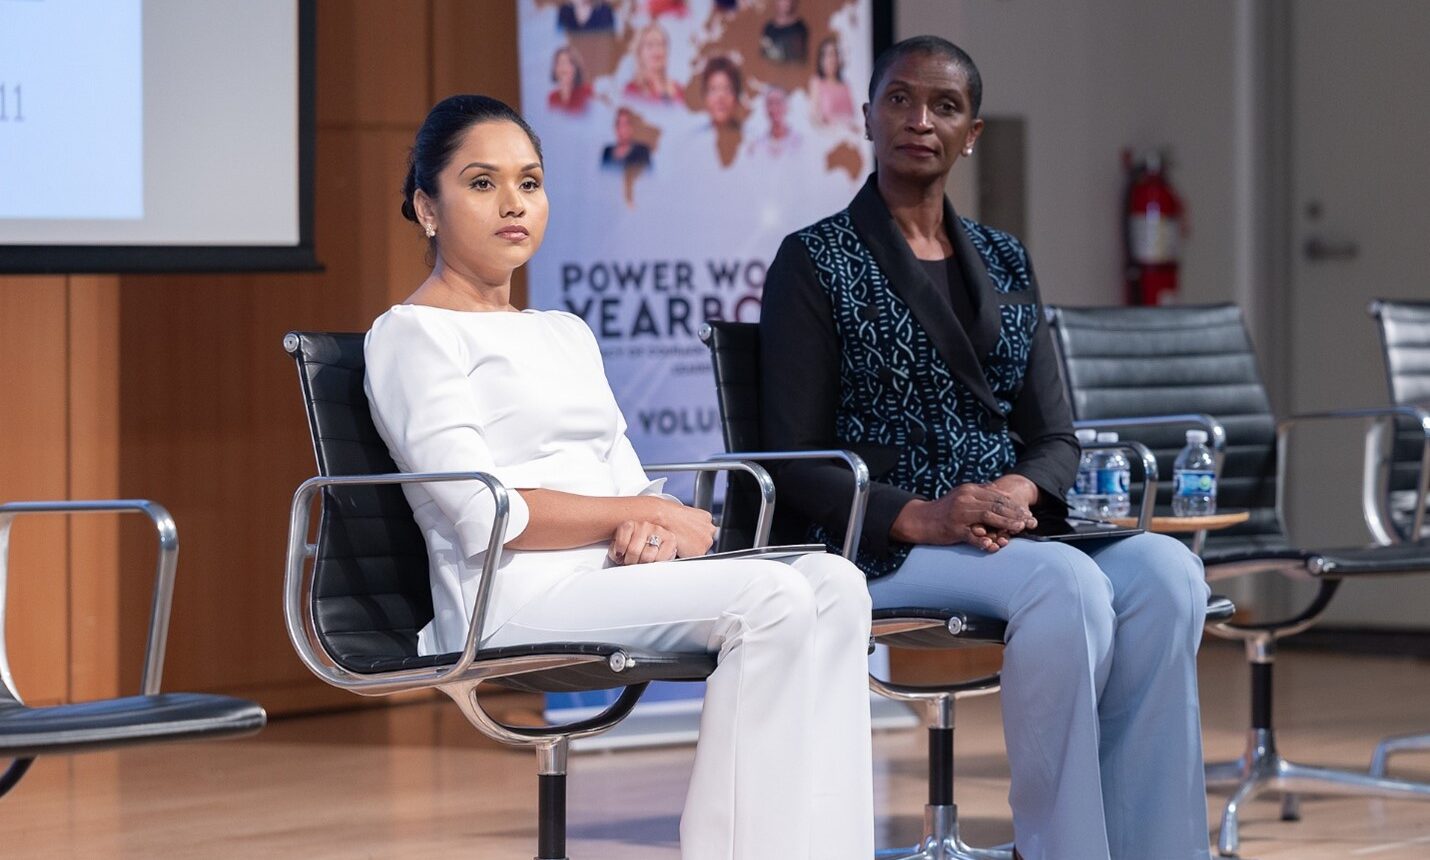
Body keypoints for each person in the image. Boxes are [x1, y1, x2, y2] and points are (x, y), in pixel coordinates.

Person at [365, 94, 874, 860]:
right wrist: (632, 517)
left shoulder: (563, 331)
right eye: (482, 183)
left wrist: (651, 525)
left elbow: (633, 487)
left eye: (530, 182)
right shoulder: (412, 335)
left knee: (835, 583)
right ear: (427, 208)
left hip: (611, 578)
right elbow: (484, 514)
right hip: (507, 600)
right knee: (770, 597)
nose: (513, 203)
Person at [758, 37, 1213, 860]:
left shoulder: (1005, 257)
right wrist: (926, 516)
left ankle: (1155, 847)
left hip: (1006, 529)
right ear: (866, 116)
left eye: (945, 106)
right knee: (1068, 582)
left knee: (1169, 573)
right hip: (882, 539)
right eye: (899, 99)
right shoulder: (813, 259)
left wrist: (1021, 492)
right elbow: (795, 459)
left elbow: (1054, 436)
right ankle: (1063, 847)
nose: (918, 120)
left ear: (970, 134)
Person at [623, 22, 684, 104]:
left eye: (660, 44)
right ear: (639, 52)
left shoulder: (679, 89)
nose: (656, 50)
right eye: (650, 45)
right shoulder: (632, 90)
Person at [810, 36, 855, 127]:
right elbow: (814, 116)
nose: (833, 59)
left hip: (846, 133)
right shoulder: (817, 82)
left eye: (835, 54)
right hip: (827, 133)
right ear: (821, 59)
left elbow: (852, 116)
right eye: (829, 54)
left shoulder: (845, 85)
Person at [746, 87, 800, 158]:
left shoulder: (799, 142)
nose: (774, 108)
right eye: (770, 103)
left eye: (778, 102)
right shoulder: (757, 146)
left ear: (787, 106)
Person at [601, 107, 652, 172]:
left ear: (632, 127)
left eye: (625, 124)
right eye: (618, 124)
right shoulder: (607, 151)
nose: (621, 129)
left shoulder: (642, 151)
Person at [700, 55, 741, 130]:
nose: (720, 97)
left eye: (727, 89)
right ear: (705, 97)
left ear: (737, 96)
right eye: (713, 89)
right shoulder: (692, 136)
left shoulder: (753, 136)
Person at [547, 46, 592, 114]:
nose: (563, 68)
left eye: (568, 63)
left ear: (576, 68)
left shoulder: (587, 92)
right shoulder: (552, 97)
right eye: (559, 63)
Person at [760, 0, 808, 64]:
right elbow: (764, 54)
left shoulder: (800, 28)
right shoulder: (768, 28)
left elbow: (799, 58)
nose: (786, 3)